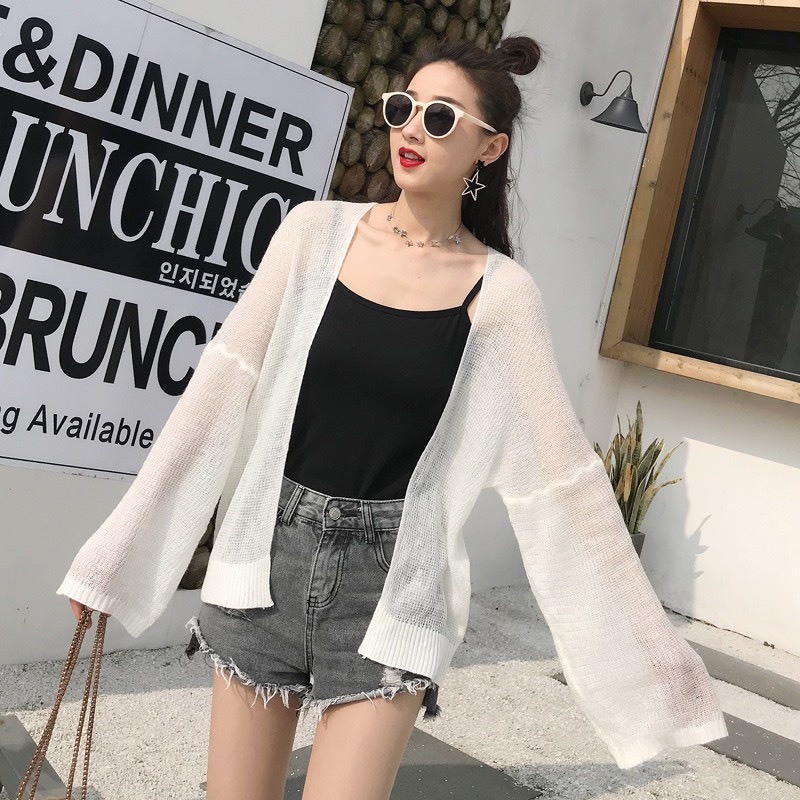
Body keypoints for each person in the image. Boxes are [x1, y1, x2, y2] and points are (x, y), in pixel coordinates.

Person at [62, 33, 728, 800]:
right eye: (404, 108)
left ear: (490, 148)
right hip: (265, 561)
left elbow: (564, 485)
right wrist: (113, 559)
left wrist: (659, 670)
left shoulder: (502, 297)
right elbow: (218, 392)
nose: (413, 129)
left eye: (441, 118)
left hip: (389, 594)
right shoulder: (312, 236)